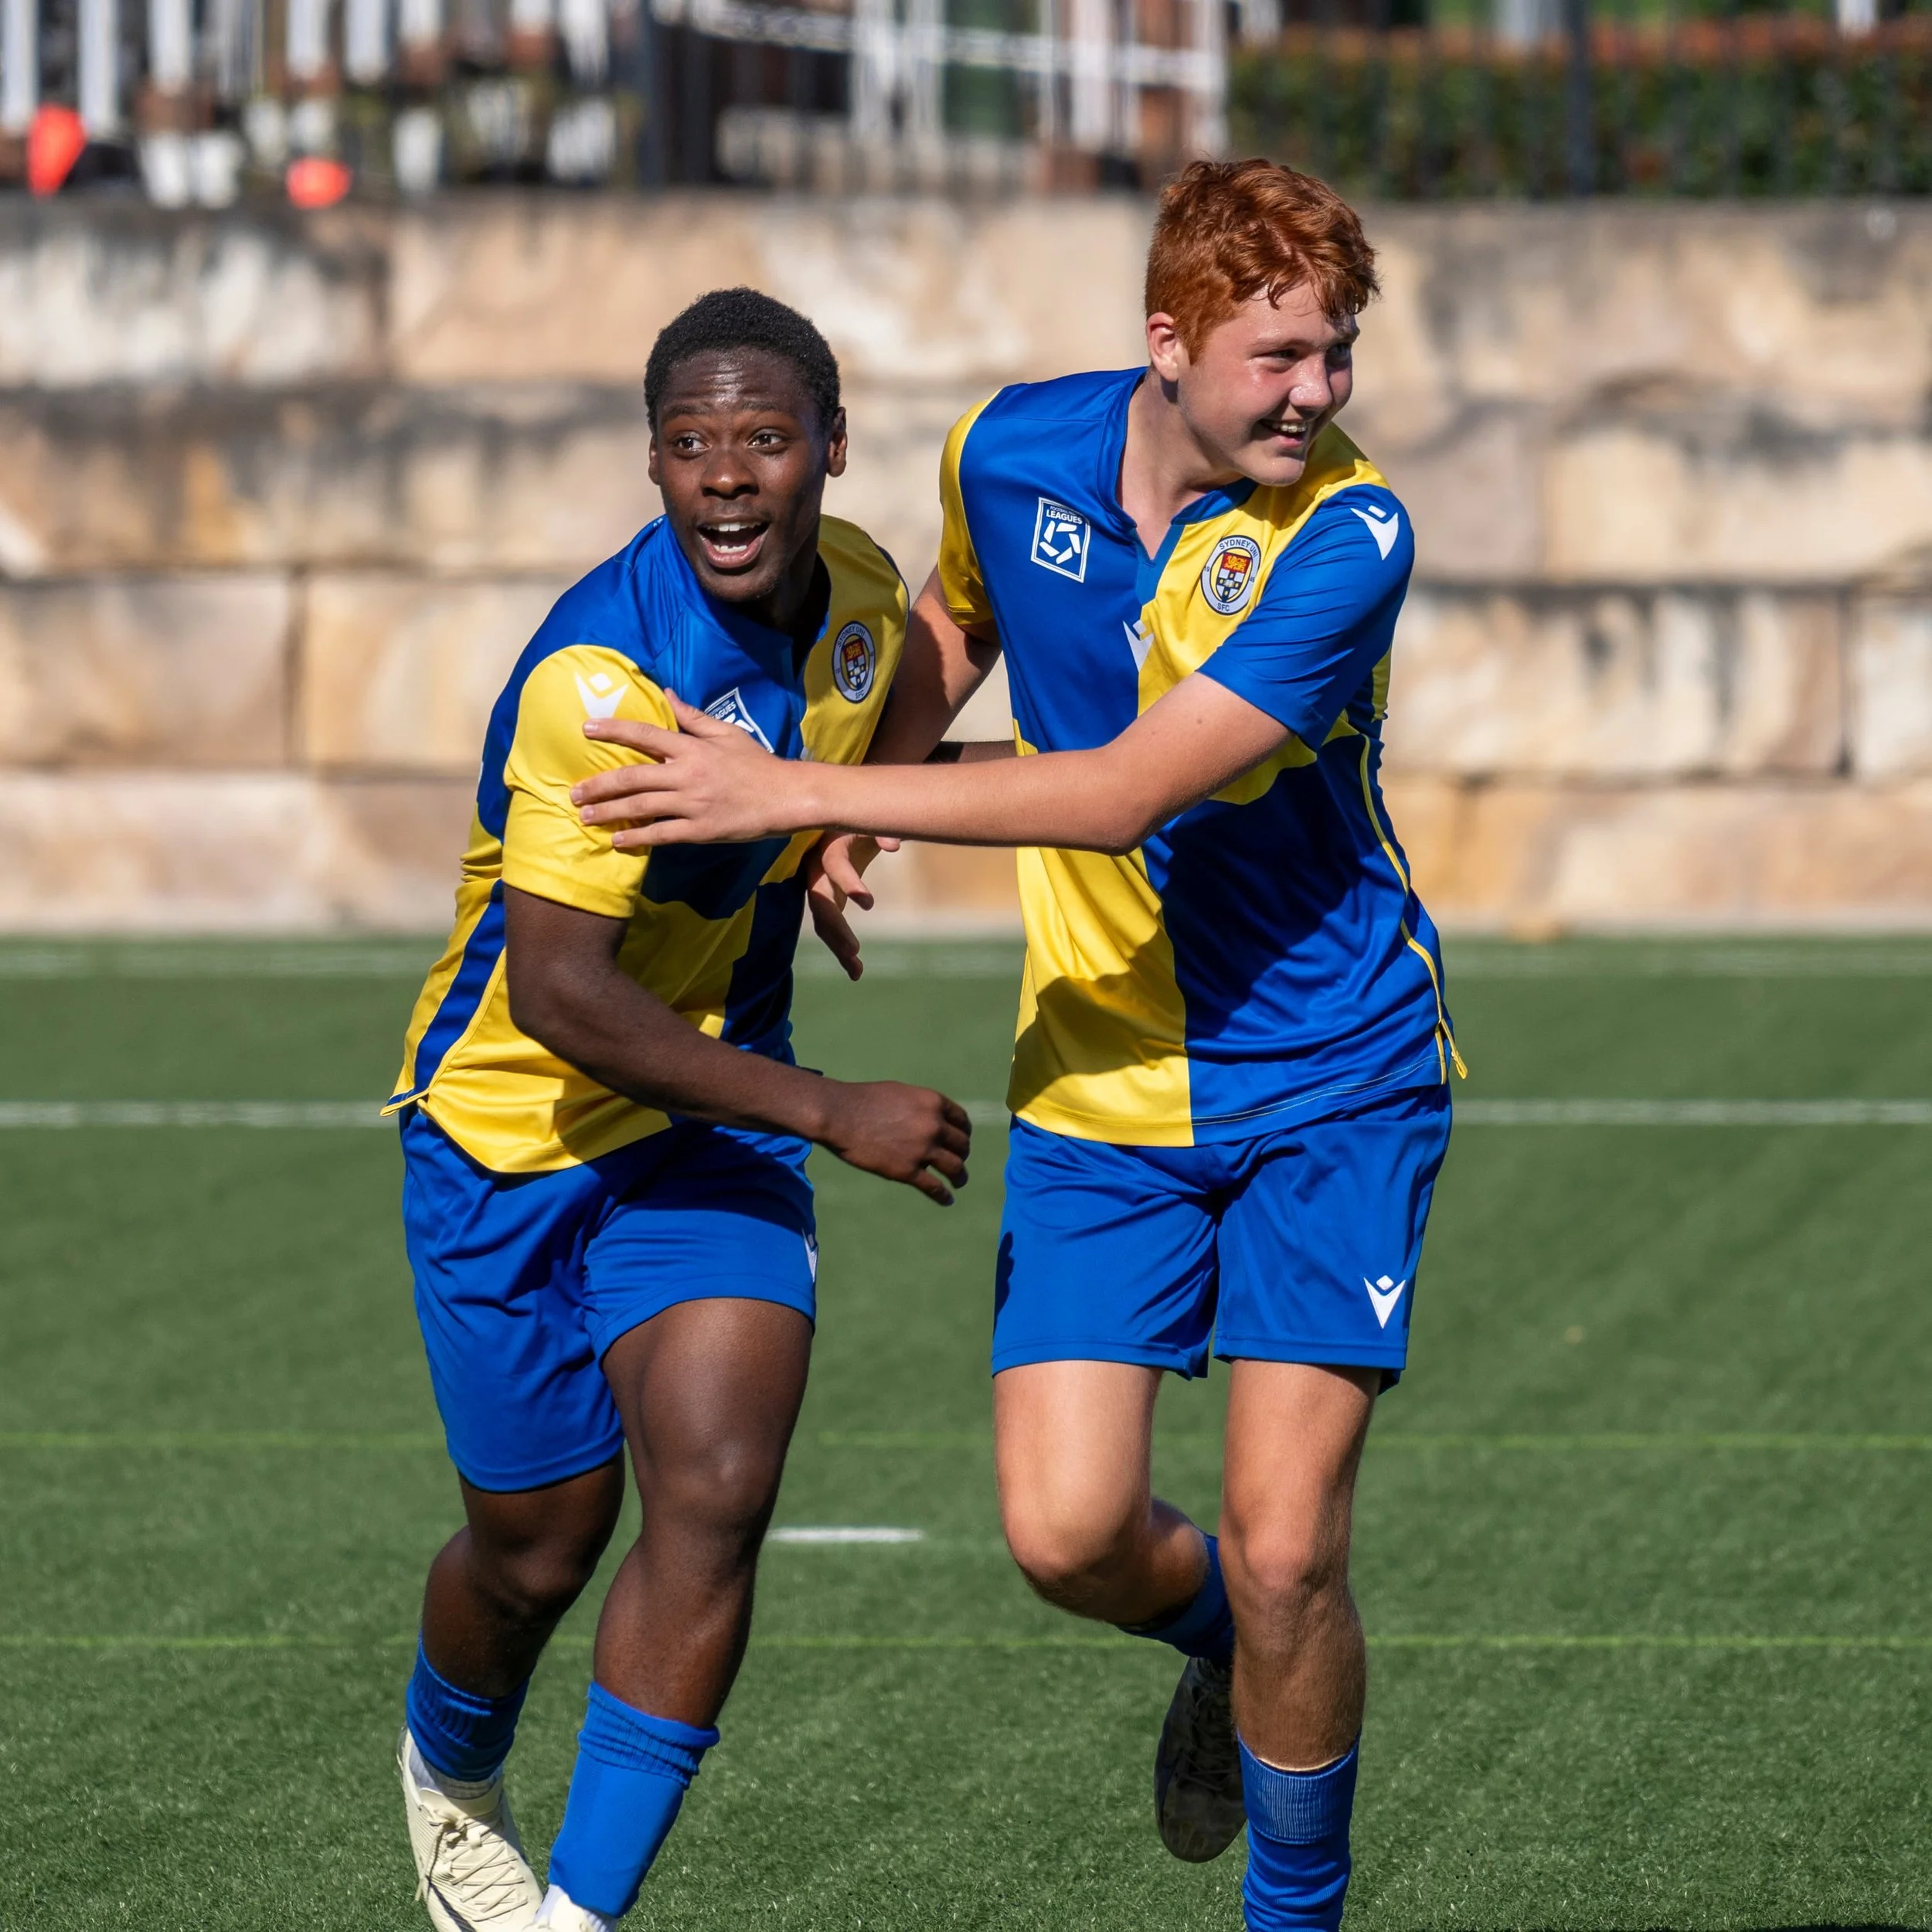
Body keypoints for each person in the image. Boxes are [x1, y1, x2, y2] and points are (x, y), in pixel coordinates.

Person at [569, 161, 1461, 1932]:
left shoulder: (1346, 540)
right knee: (1066, 1535)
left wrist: (790, 786)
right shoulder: (1013, 446)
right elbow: (960, 619)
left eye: (1335, 354)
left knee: (1292, 1547)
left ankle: (1294, 1905)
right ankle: (1217, 1645)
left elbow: (1124, 794)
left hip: (1330, 1077)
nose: (1315, 394)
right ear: (1167, 340)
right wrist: (875, 791)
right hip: (1097, 1080)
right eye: (1277, 354)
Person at [385, 287, 971, 1932]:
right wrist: (833, 1106)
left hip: (704, 1127)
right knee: (536, 1547)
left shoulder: (858, 599)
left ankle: (579, 1919)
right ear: (652, 462)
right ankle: (449, 1766)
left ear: (828, 453)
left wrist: (843, 834)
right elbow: (563, 991)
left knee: (713, 1484)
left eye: (765, 440)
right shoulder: (601, 673)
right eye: (692, 444)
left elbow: (850, 739)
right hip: (510, 1134)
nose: (727, 477)